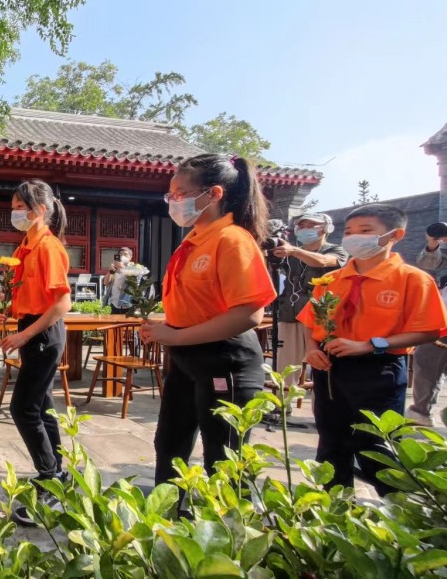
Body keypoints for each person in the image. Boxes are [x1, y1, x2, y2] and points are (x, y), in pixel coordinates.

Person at [140, 154, 276, 499]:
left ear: (214, 194)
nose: (174, 202)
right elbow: (199, 304)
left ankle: (227, 536)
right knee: (170, 443)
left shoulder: (232, 239)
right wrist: (168, 327)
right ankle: (169, 520)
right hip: (187, 356)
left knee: (224, 456)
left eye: (181, 193)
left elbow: (249, 314)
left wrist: (176, 334)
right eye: (170, 195)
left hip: (225, 358)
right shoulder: (194, 240)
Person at [298, 203, 447, 495]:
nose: (354, 238)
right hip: (330, 369)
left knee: (376, 447)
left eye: (365, 231)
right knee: (331, 442)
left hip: (379, 368)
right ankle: (333, 511)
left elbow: (429, 328)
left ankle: (398, 515)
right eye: (350, 232)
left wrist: (370, 344)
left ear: (396, 234)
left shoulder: (413, 279)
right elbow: (310, 319)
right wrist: (312, 349)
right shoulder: (331, 280)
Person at [0, 179, 72, 527]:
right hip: (35, 331)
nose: (14, 213)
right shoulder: (27, 246)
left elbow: (61, 303)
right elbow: (32, 295)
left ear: (40, 210)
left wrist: (24, 335)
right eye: (12, 206)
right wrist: (8, 311)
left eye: (19, 207)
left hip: (43, 335)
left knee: (23, 407)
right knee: (42, 406)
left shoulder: (48, 247)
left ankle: (50, 479)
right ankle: (57, 473)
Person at [271, 213, 348, 382]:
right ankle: (282, 405)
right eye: (302, 226)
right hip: (290, 314)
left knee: (323, 366)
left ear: (326, 229)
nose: (305, 229)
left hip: (321, 317)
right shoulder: (288, 253)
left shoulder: (335, 250)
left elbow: (324, 261)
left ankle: (323, 404)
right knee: (285, 366)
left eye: (311, 225)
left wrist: (294, 251)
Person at [406, 274, 447, 427]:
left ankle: (421, 411)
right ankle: (421, 411)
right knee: (426, 363)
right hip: (439, 324)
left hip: (440, 327)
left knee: (427, 363)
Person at [102, 247, 134, 313]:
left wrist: (122, 268)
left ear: (130, 257)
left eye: (125, 254)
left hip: (128, 305)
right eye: (121, 254)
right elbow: (105, 283)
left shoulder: (134, 268)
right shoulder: (115, 268)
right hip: (114, 304)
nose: (122, 256)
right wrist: (110, 271)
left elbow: (134, 282)